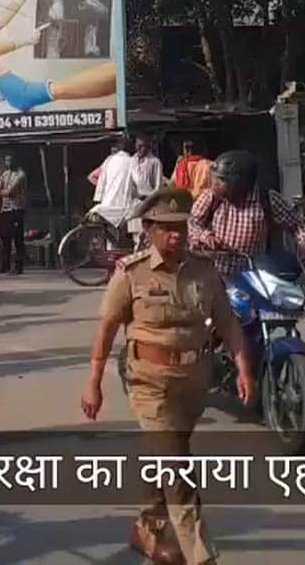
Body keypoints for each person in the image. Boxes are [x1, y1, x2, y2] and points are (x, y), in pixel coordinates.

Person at [82, 187, 256, 565]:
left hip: (194, 379)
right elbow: (107, 329)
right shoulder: (132, 273)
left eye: (181, 227)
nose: (176, 235)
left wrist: (244, 369)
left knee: (165, 453)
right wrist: (93, 383)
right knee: (177, 465)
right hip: (148, 380)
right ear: (149, 229)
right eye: (166, 228)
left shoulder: (204, 270)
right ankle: (199, 553)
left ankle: (147, 525)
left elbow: (227, 322)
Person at [188, 150, 305, 278]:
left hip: (254, 275)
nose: (215, 185)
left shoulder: (267, 200)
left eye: (222, 181)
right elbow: (192, 223)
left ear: (238, 182)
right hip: (216, 274)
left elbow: (297, 224)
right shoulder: (211, 197)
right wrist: (205, 236)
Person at [0, 153, 27, 275]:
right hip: (5, 209)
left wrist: (3, 192)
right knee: (5, 238)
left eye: (10, 160)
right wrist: (3, 192)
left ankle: (18, 266)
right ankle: (5, 264)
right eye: (6, 160)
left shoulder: (20, 174)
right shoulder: (5, 174)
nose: (8, 163)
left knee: (18, 238)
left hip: (17, 209)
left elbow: (10, 191)